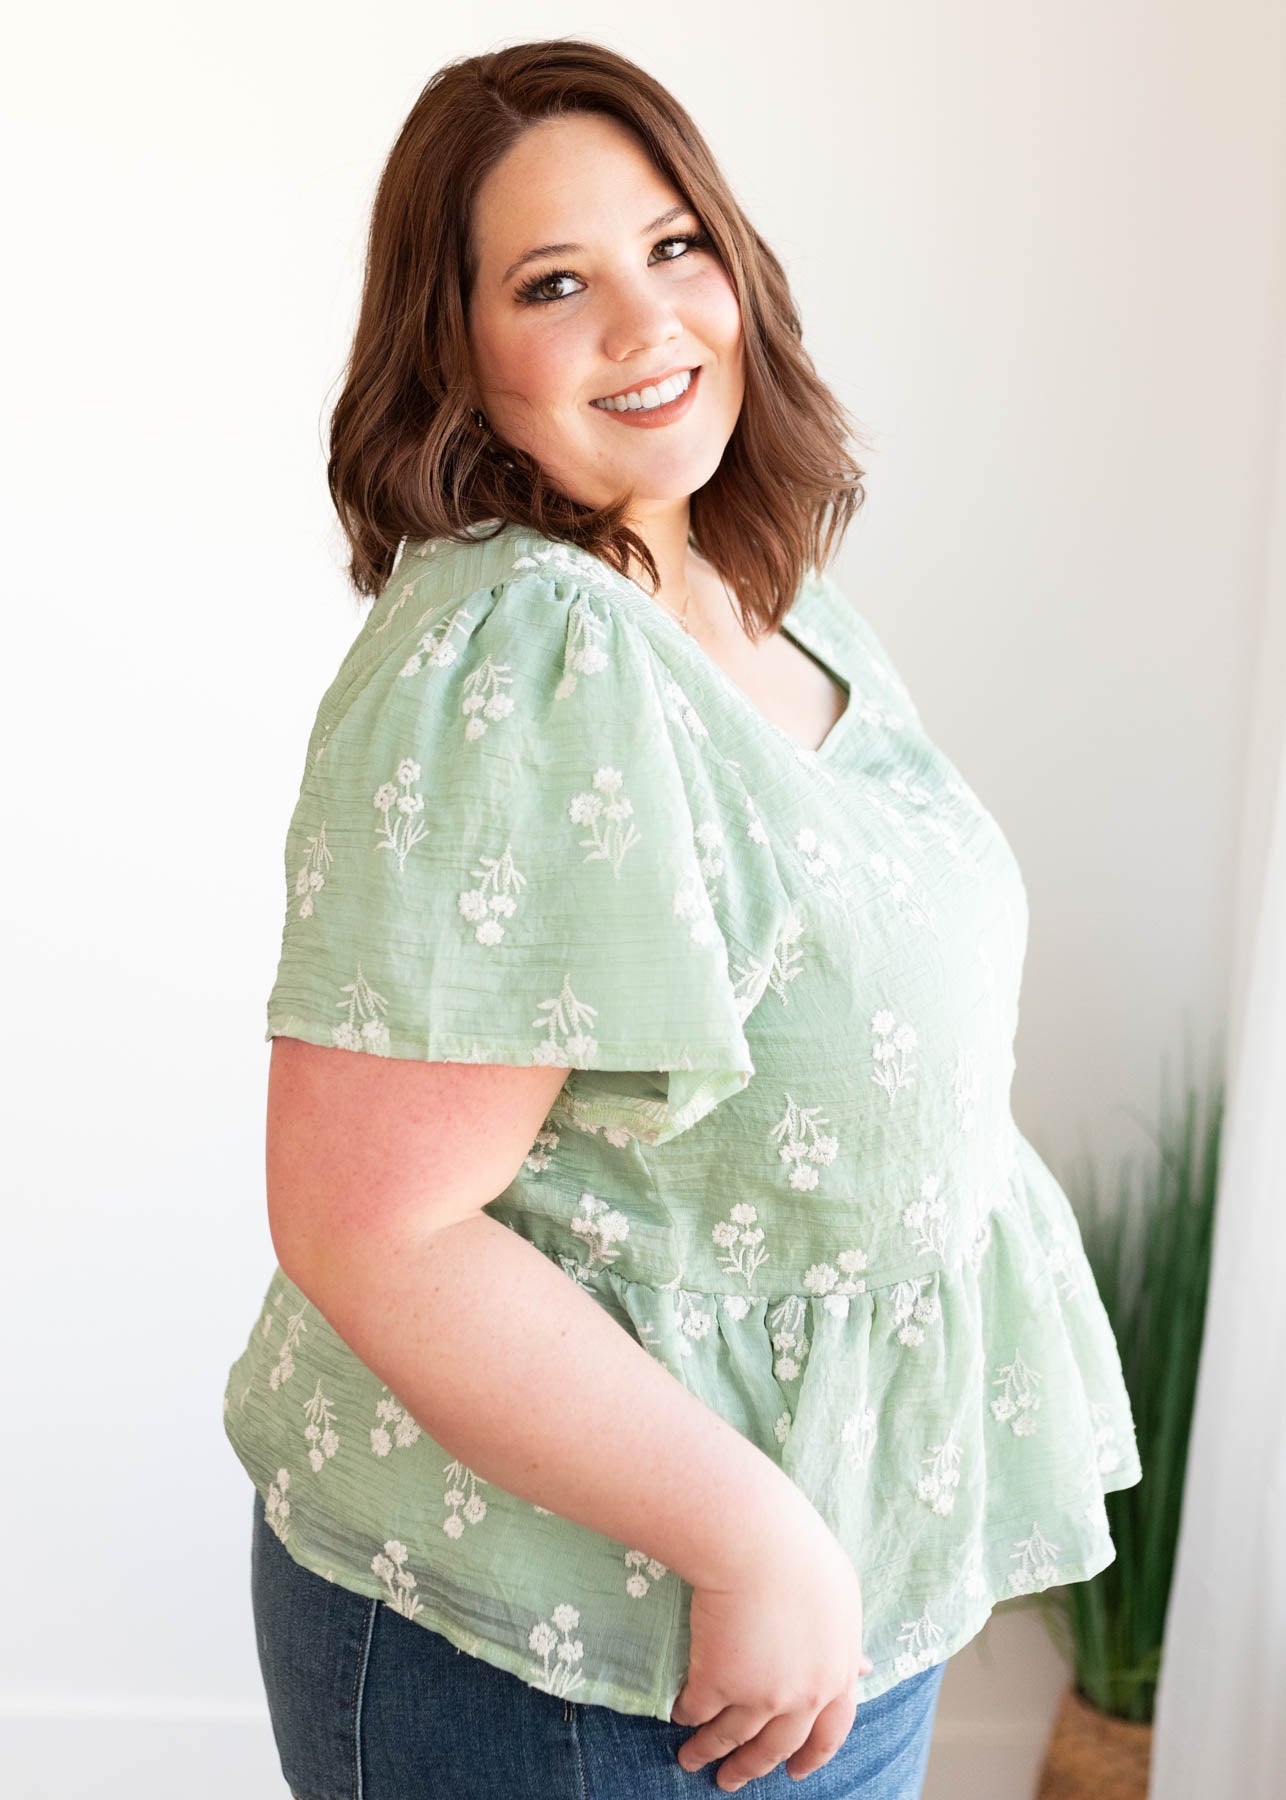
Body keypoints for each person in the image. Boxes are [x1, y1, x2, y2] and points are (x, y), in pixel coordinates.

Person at [222, 37, 1142, 1800]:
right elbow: (376, 1226)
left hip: (811, 1590)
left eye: (673, 249)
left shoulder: (739, 578)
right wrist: (756, 1546)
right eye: (552, 283)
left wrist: (815, 1557)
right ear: (456, 350)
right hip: (589, 1639)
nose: (645, 325)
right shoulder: (518, 656)